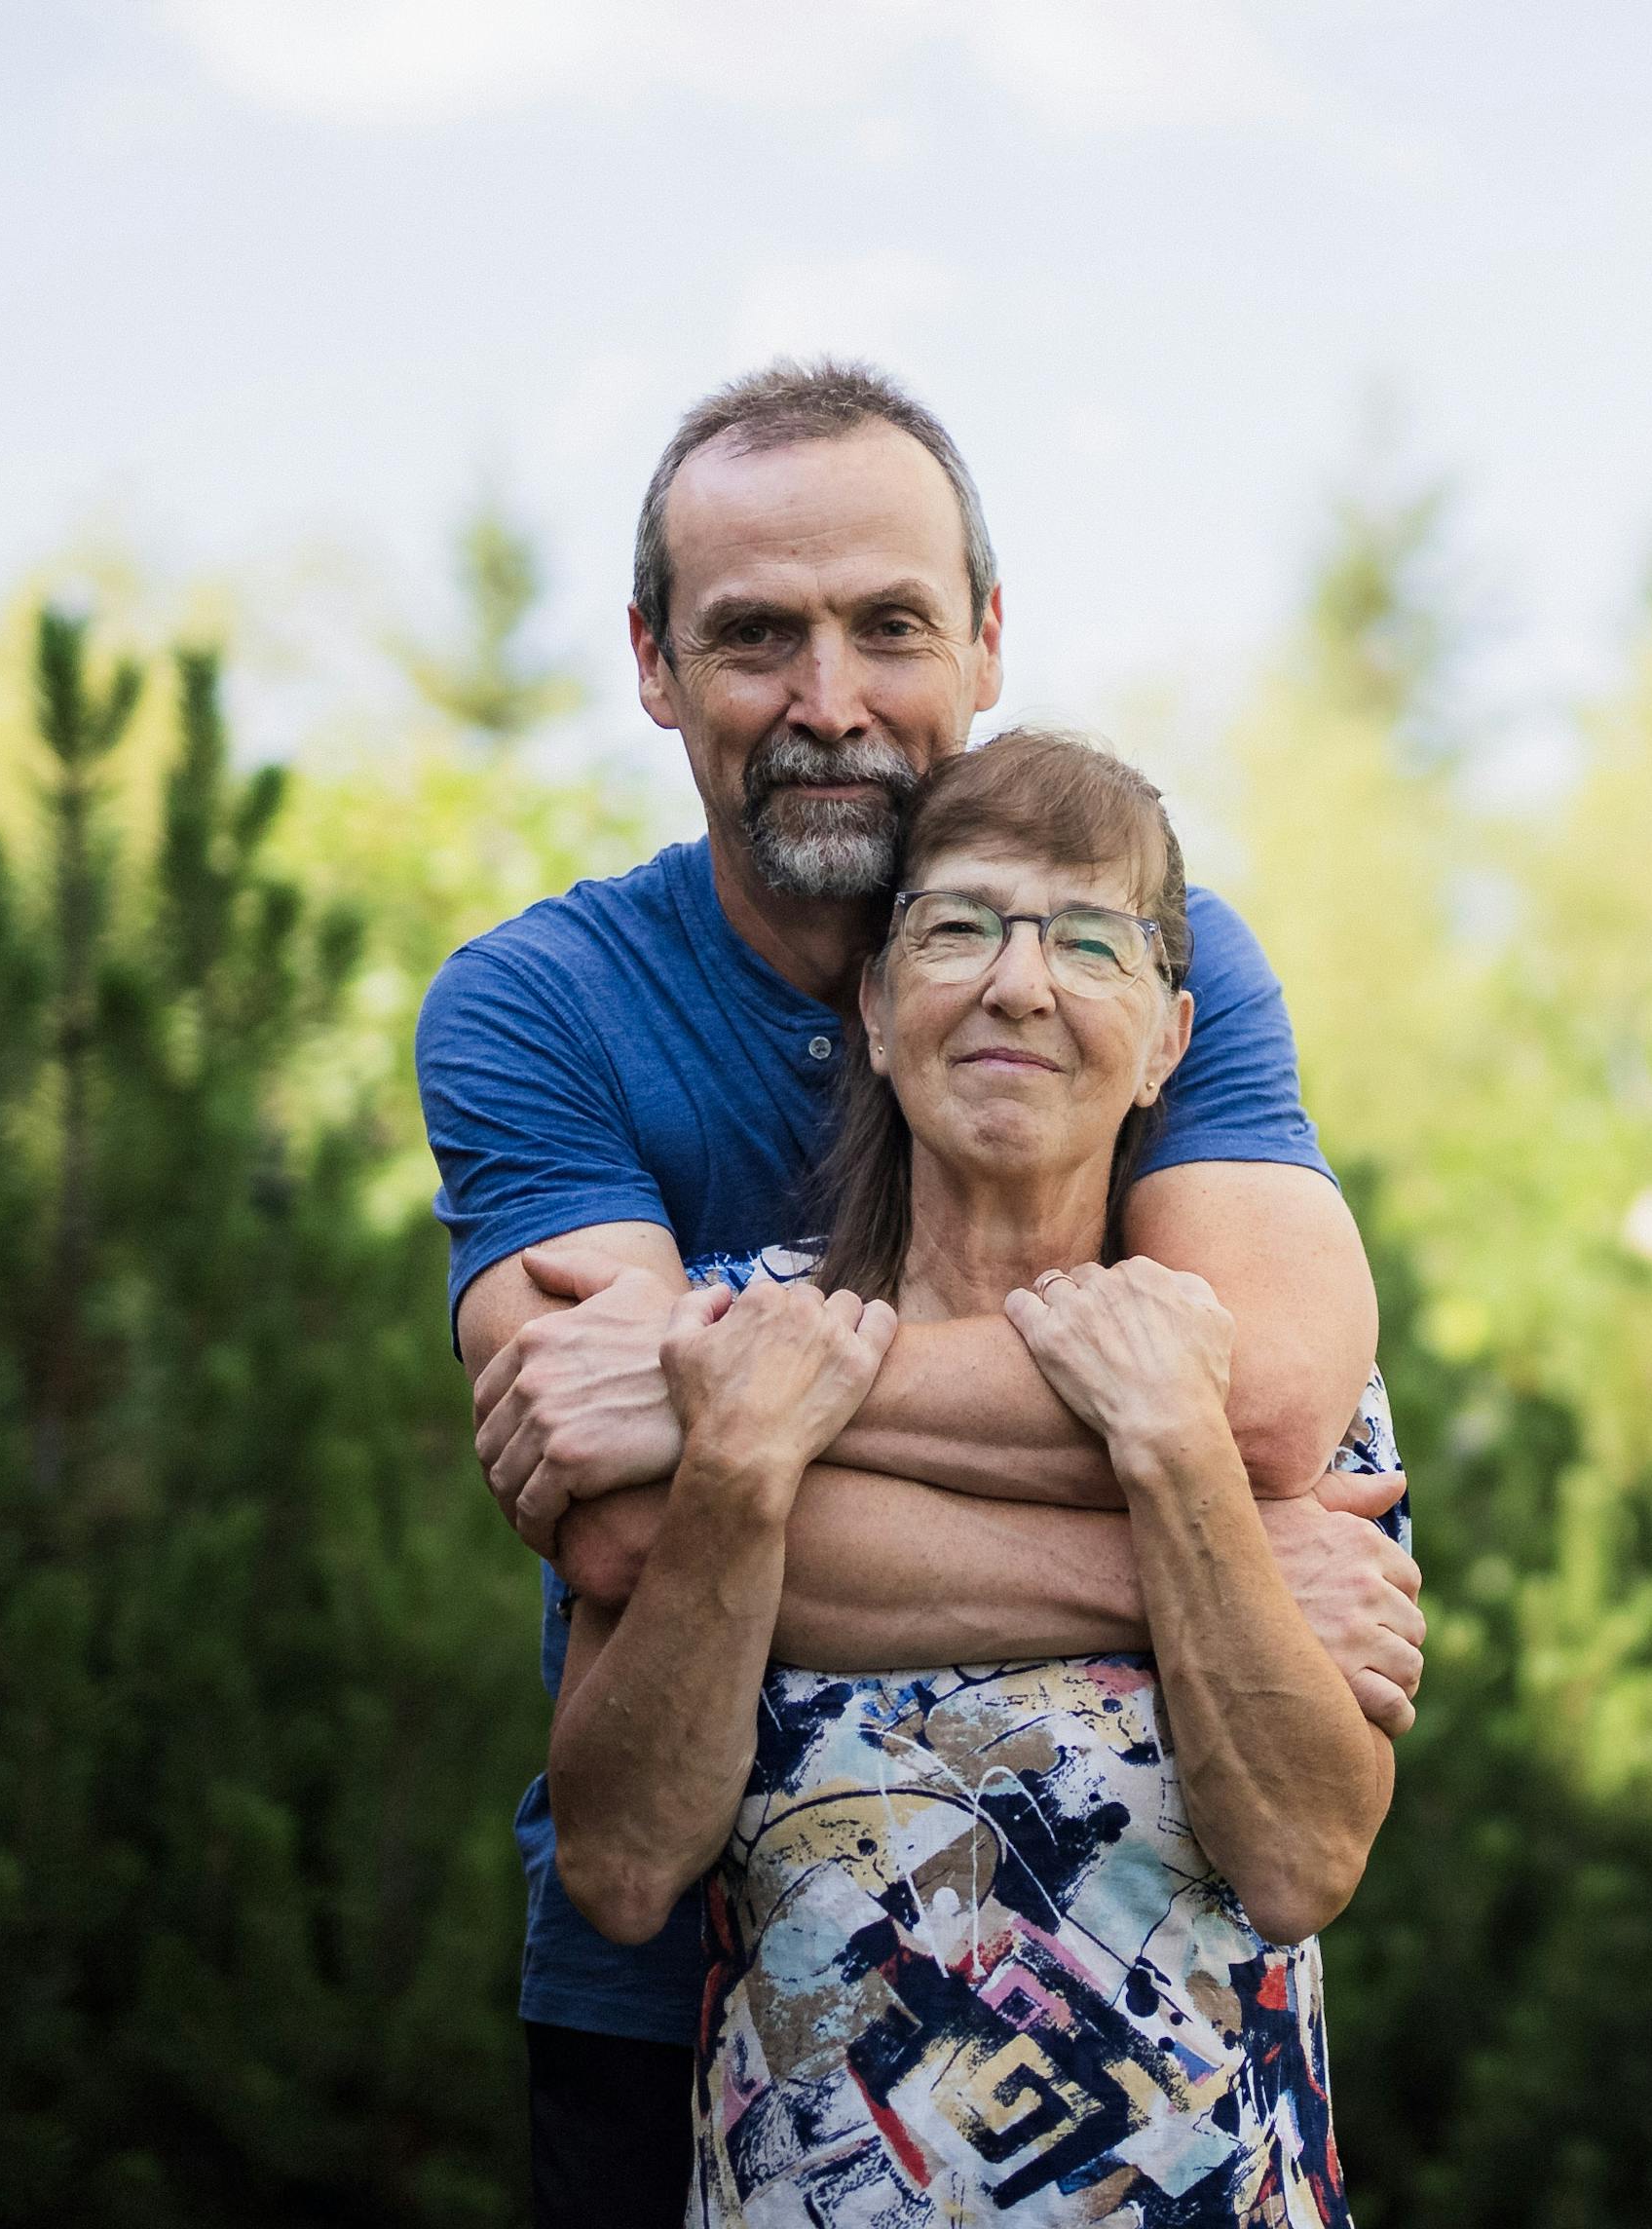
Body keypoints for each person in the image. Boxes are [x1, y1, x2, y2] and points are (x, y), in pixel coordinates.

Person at [418, 361, 1424, 2229]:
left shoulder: (1155, 941)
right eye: (753, 636)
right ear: (651, 662)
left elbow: (1271, 1407)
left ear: (980, 641)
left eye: (887, 625)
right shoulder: (538, 1007)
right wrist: (1206, 1577)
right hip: (690, 2018)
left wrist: (746, 1399)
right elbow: (637, 1525)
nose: (829, 701)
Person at [551, 732, 1391, 2226]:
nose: (1020, 984)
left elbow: (1303, 1859)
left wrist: (1181, 1458)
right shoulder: (727, 1345)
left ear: (1169, 1040)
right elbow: (621, 1869)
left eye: (1089, 943)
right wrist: (743, 1469)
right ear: (876, 1010)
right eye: (957, 928)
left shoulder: (1252, 1379)